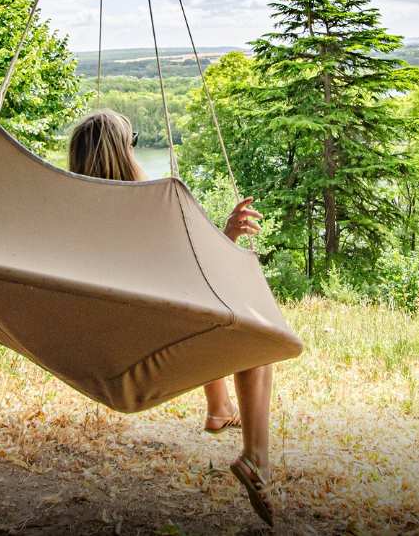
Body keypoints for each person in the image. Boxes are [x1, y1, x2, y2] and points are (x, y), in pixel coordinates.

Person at [67, 109, 276, 526]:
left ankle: (219, 408)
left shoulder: (69, 213)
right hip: (150, 352)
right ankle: (256, 458)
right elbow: (196, 267)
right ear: (122, 151)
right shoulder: (155, 202)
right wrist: (229, 236)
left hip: (105, 354)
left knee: (199, 314)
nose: (134, 147)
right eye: (133, 140)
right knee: (259, 341)